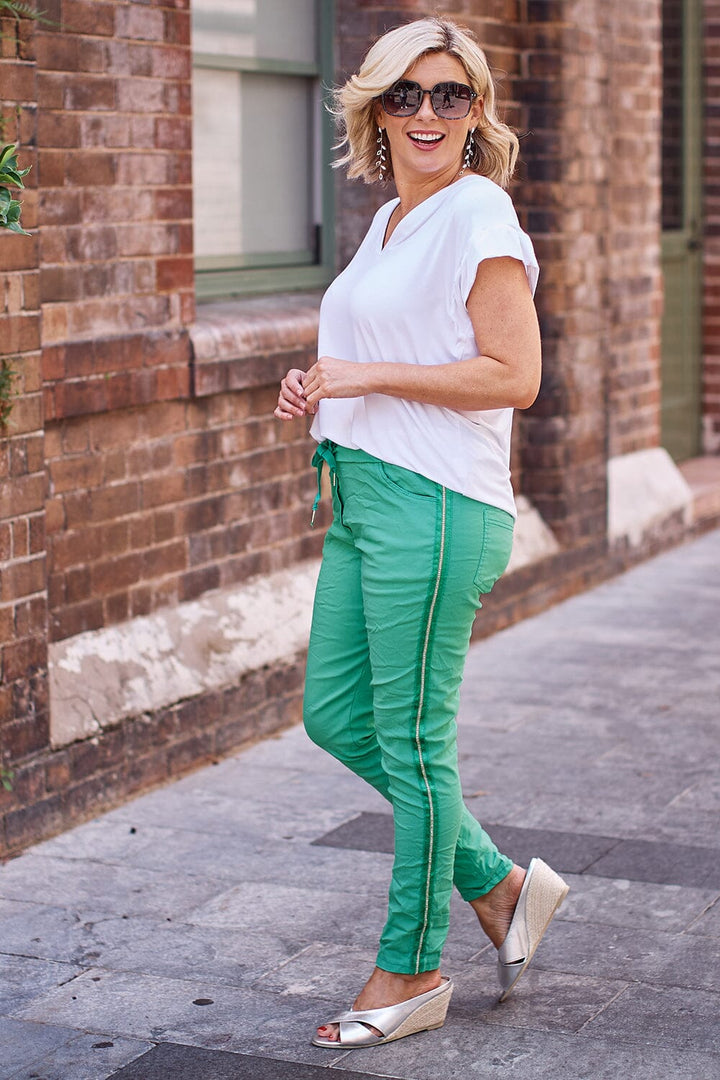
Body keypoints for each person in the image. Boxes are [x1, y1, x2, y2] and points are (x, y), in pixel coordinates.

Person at [274, 16, 568, 1049]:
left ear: (477, 112)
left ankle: (413, 968)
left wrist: (369, 376)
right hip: (364, 497)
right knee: (336, 715)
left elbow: (515, 378)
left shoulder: (478, 211)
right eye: (408, 95)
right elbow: (381, 349)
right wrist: (318, 385)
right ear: (377, 111)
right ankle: (498, 888)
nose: (429, 113)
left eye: (452, 95)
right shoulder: (393, 221)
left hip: (437, 507)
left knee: (412, 741)